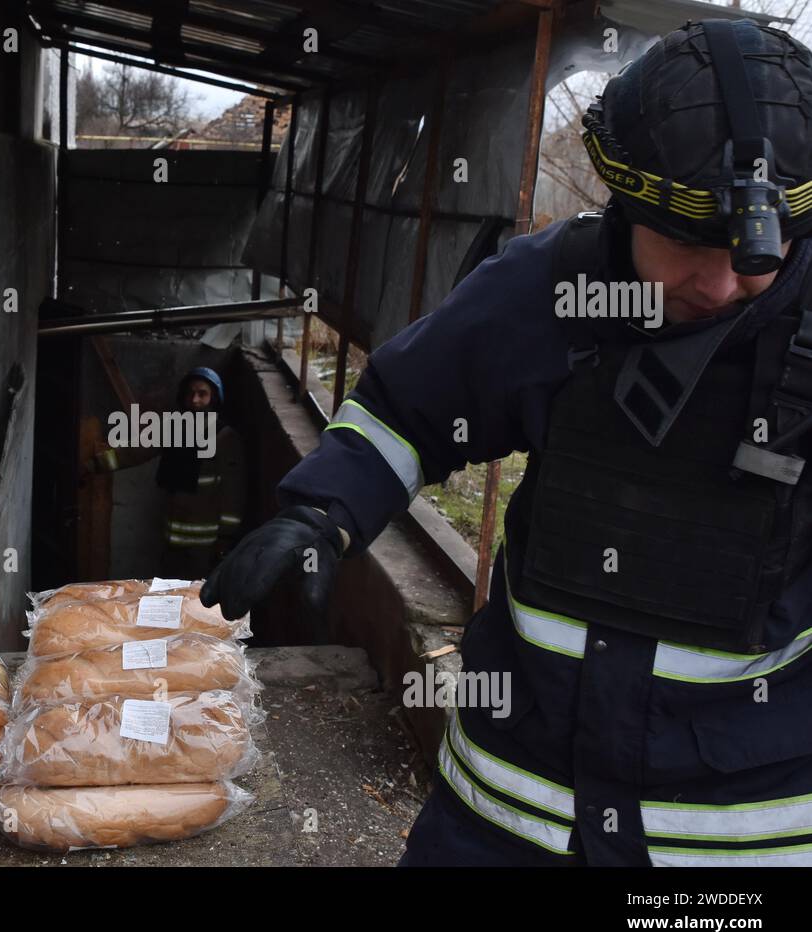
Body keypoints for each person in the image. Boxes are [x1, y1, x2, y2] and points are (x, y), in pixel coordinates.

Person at [200, 19, 812, 866]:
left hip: (728, 852)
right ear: (625, 206)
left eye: (751, 257)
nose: (715, 285)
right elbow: (407, 409)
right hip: (506, 815)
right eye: (683, 243)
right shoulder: (552, 293)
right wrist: (320, 514)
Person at [92, 367, 246, 579]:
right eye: (190, 393)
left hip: (205, 544)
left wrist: (226, 537)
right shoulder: (172, 428)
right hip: (172, 538)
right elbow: (138, 451)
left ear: (214, 399)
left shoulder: (224, 437)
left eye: (202, 394)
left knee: (197, 601)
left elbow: (234, 490)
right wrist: (96, 464)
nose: (195, 400)